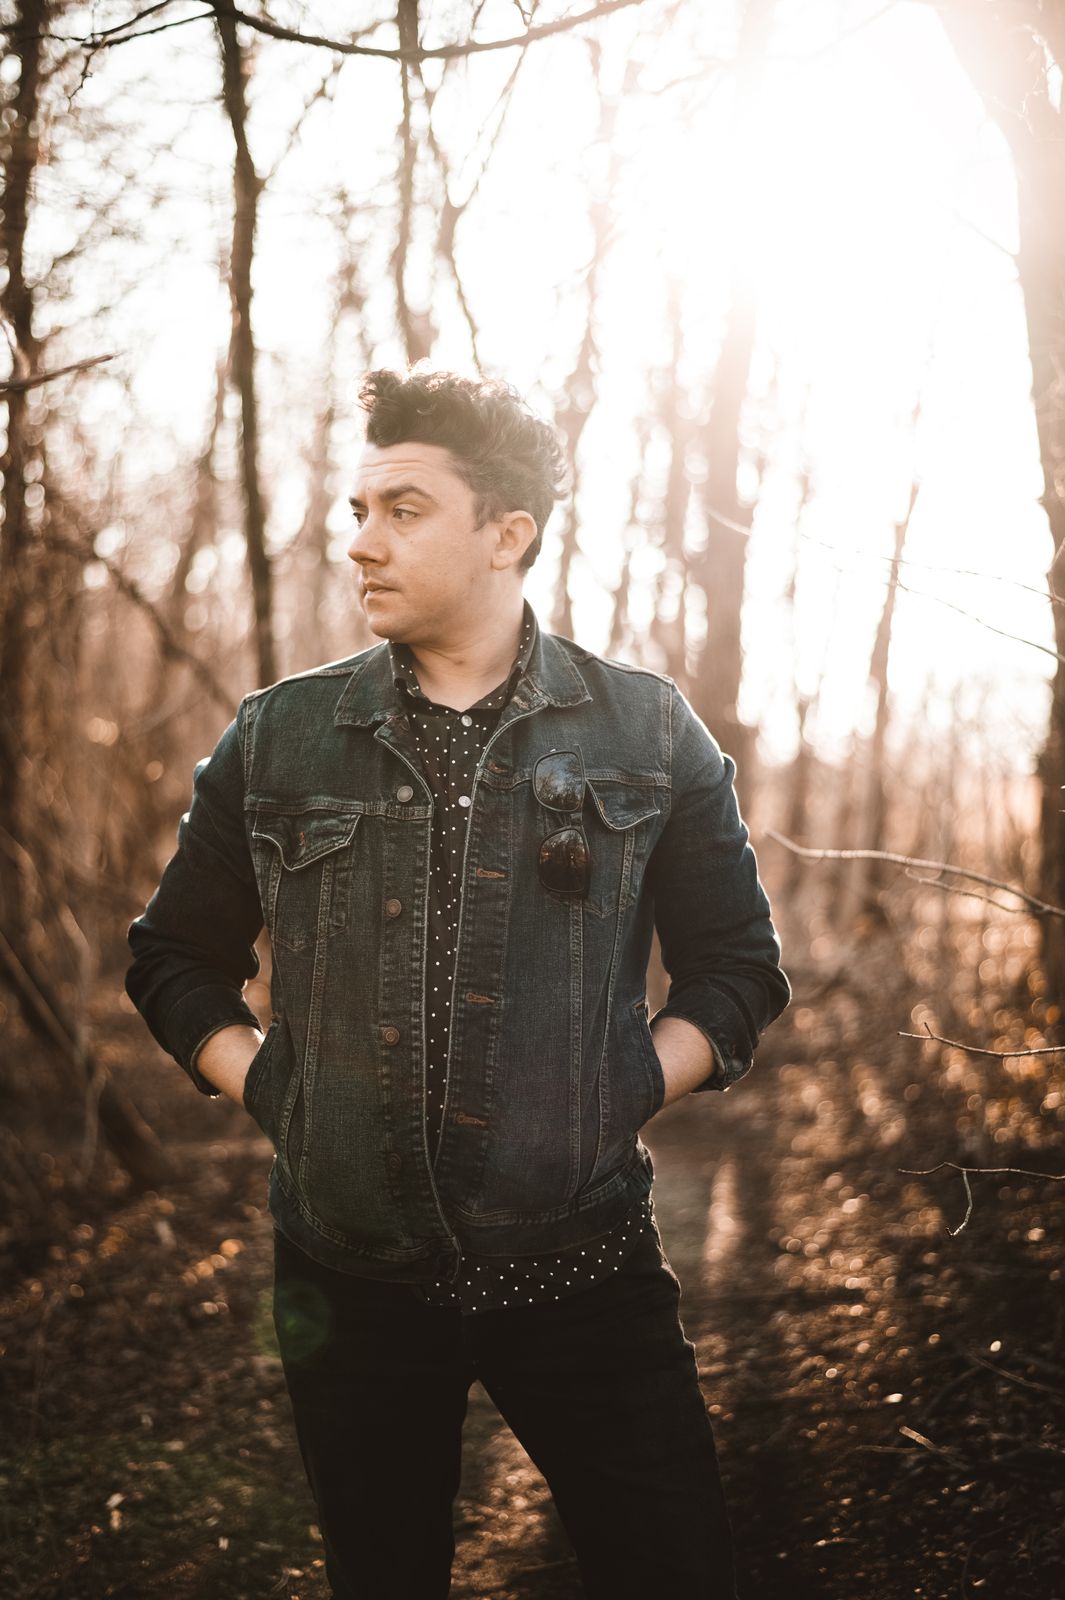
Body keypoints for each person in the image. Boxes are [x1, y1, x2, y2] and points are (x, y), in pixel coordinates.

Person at [125, 367, 791, 1599]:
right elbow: (172, 955)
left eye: (403, 510)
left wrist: (625, 1085)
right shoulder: (280, 735)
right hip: (349, 1282)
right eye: (359, 510)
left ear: (506, 533)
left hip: (586, 1271)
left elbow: (739, 968)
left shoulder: (647, 733)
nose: (360, 542)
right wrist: (272, 1089)